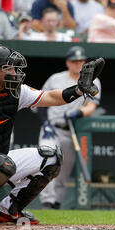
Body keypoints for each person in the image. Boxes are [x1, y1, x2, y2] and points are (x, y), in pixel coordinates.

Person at [0, 45, 103, 224]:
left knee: (51, 157)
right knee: (0, 164)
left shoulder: (16, 92)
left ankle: (8, 210)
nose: (14, 73)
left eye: (15, 68)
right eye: (8, 68)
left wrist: (78, 90)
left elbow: (52, 97)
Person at [38, 46, 101, 209]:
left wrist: (79, 113)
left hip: (71, 129)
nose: (78, 64)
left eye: (81, 60)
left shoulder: (94, 80)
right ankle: (47, 202)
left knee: (63, 169)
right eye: (75, 61)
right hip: (51, 128)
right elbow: (40, 101)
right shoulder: (55, 78)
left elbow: (91, 107)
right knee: (48, 162)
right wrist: (45, 122)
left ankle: (55, 204)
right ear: (68, 62)